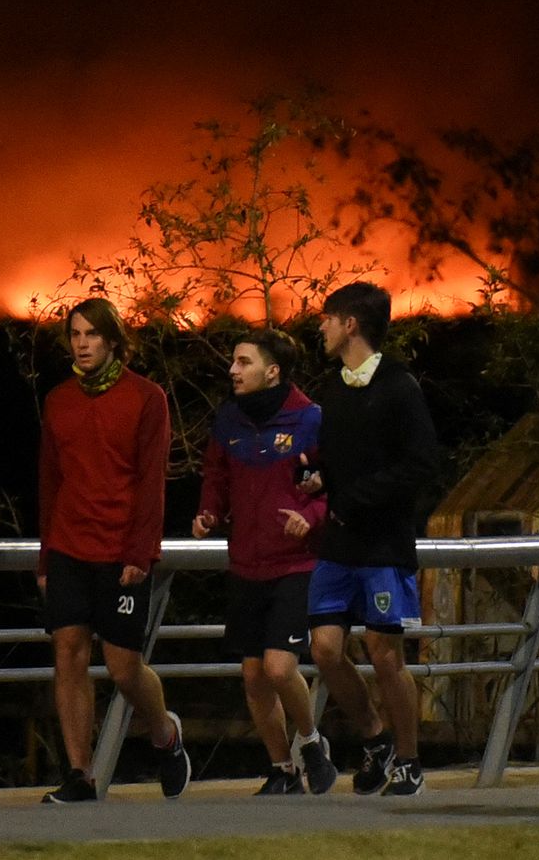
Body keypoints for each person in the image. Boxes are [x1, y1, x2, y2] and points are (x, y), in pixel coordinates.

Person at [35, 297, 191, 803]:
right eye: (75, 335)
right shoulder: (58, 400)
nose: (81, 343)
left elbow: (151, 483)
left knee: (123, 668)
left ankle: (165, 735)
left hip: (121, 547)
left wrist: (140, 551)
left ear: (113, 340)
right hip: (68, 546)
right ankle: (80, 775)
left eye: (91, 334)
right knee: (68, 654)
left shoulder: (146, 398)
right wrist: (45, 557)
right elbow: (49, 482)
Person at [300, 281, 440, 798]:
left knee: (385, 655)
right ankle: (375, 740)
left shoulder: (399, 386)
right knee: (326, 649)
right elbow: (338, 461)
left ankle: (409, 760)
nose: (322, 326)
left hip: (384, 543)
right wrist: (318, 476)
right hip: (339, 543)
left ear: (350, 324)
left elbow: (423, 463)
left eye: (328, 317)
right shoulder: (335, 388)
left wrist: (360, 495)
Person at [191, 326, 339, 794]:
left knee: (279, 667)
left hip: (296, 565)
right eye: (233, 362)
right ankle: (282, 769)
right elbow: (216, 473)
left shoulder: (310, 419)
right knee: (253, 676)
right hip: (245, 565)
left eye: (243, 362)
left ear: (272, 371)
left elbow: (333, 484)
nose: (232, 370)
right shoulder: (229, 419)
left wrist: (311, 517)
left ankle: (312, 744)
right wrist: (207, 511)